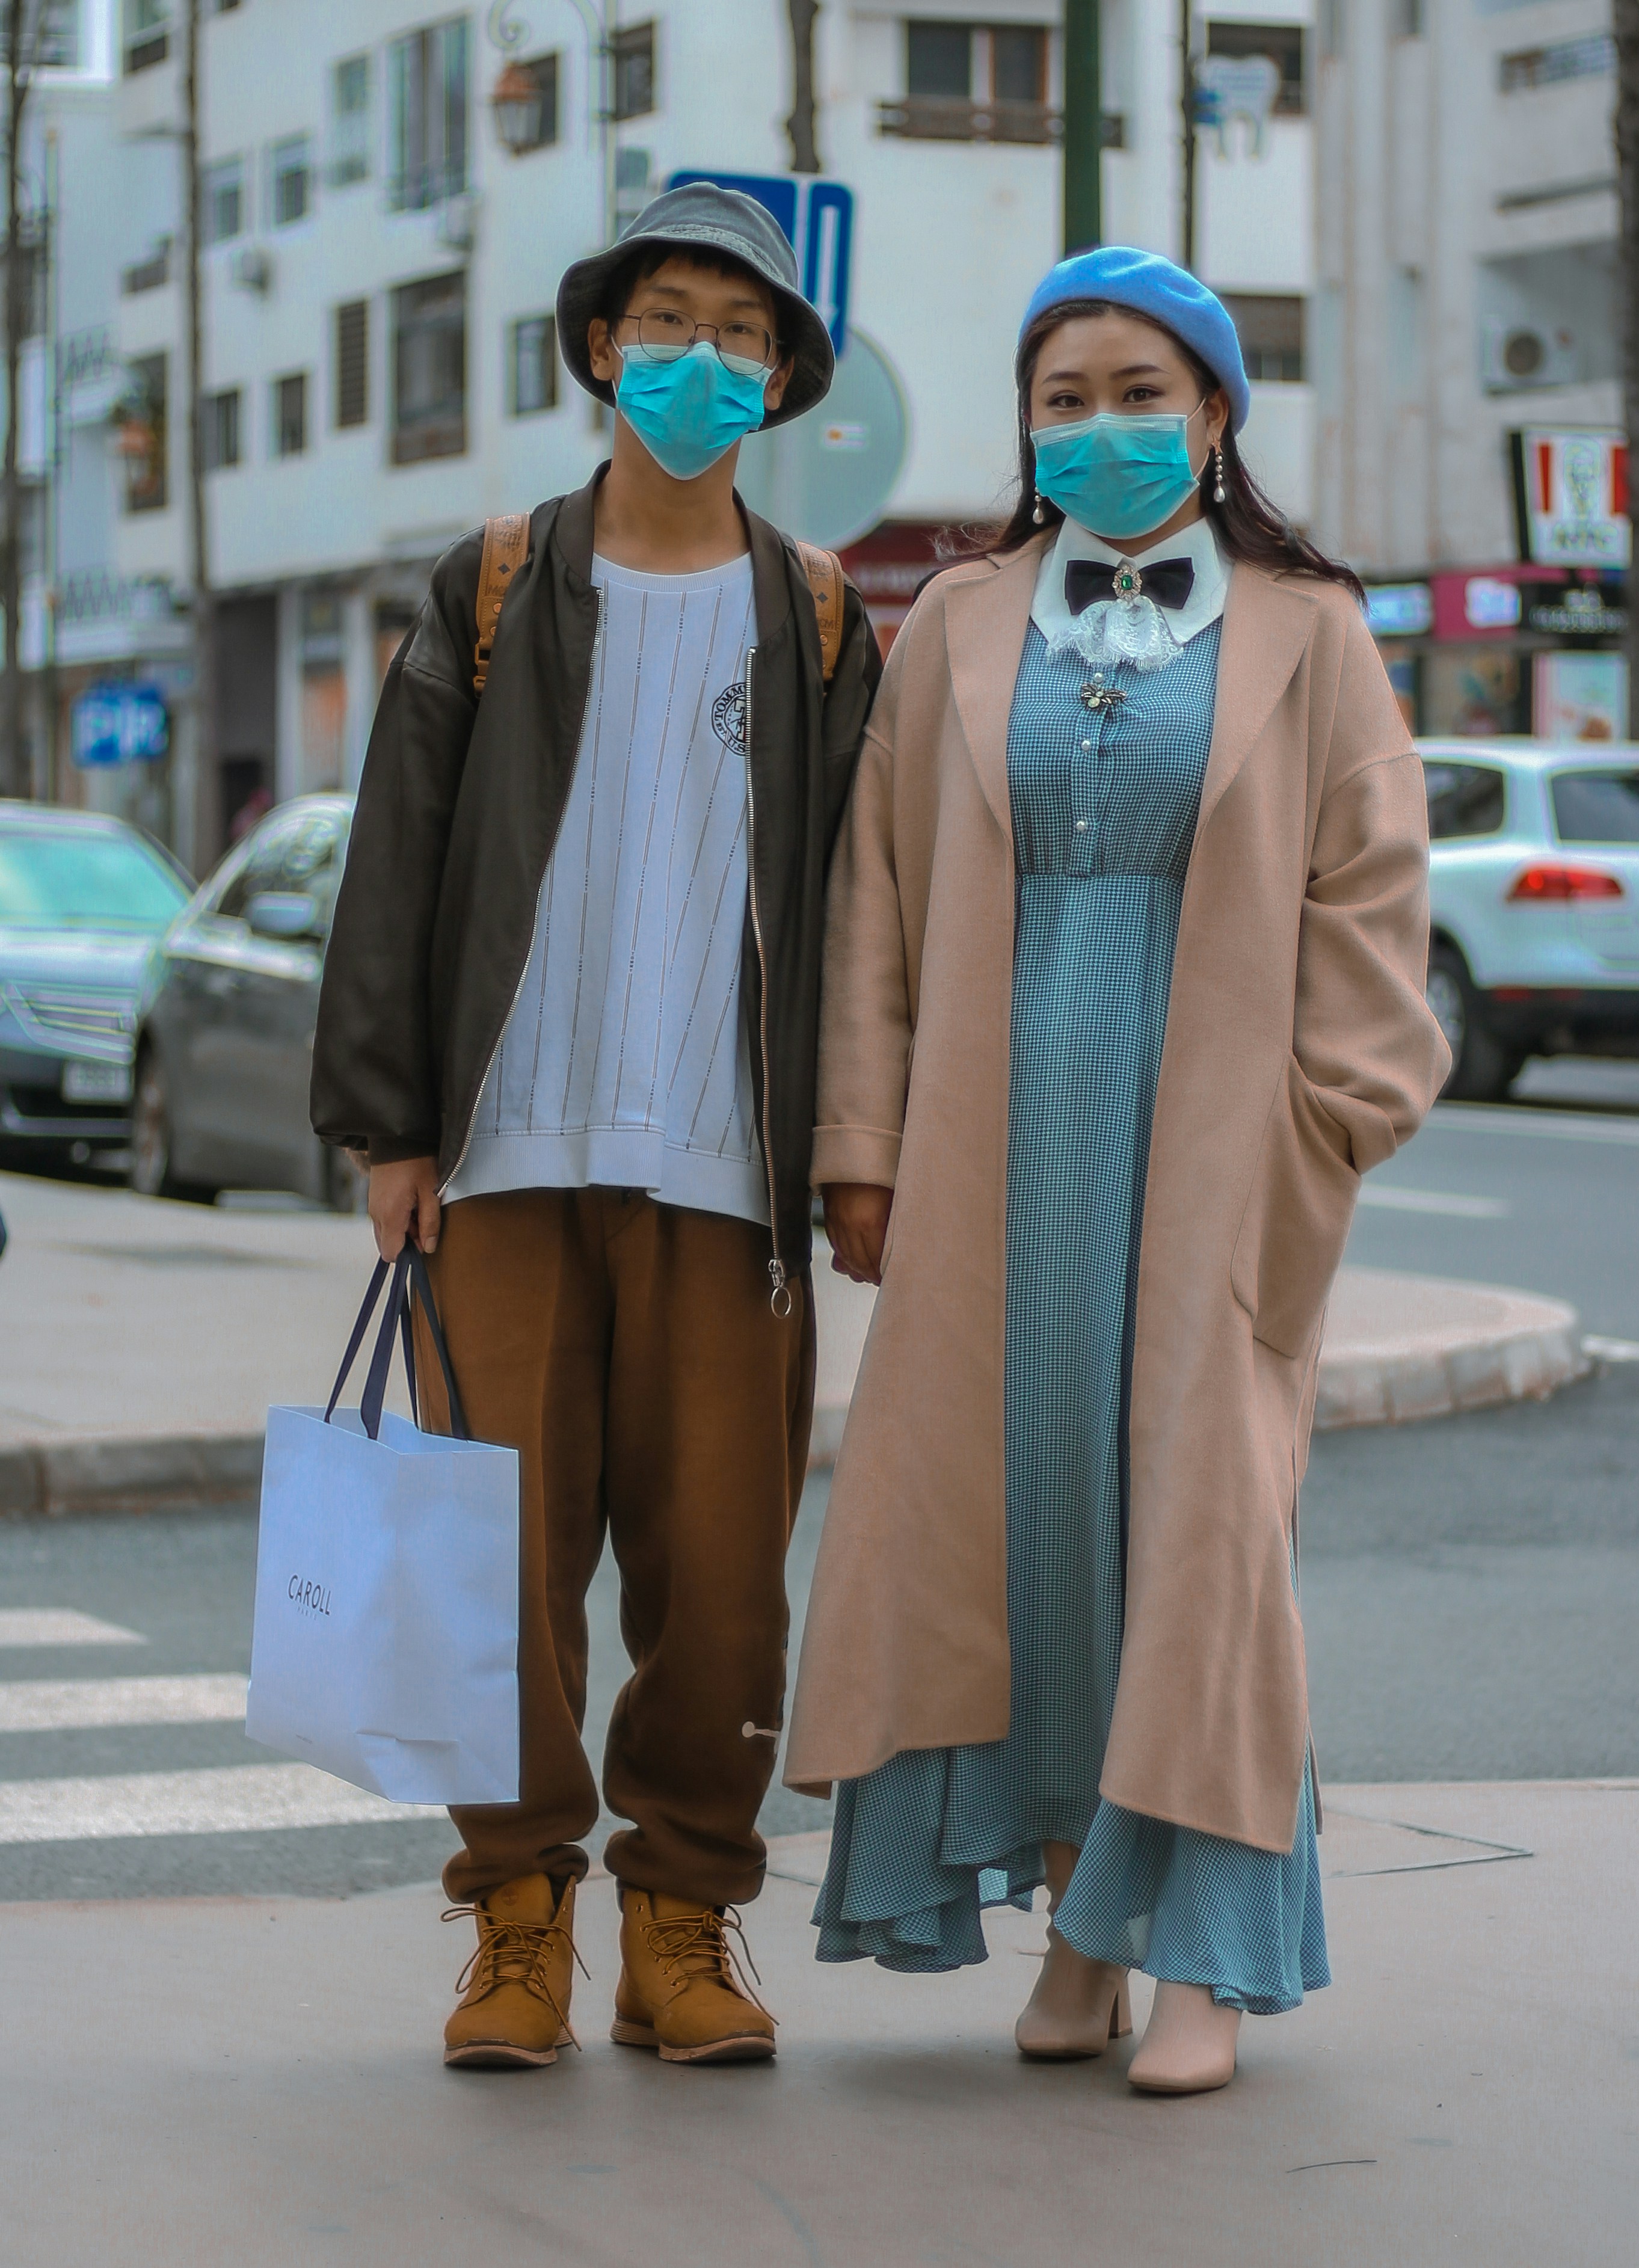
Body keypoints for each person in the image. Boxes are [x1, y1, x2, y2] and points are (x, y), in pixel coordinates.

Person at [786, 248, 1449, 2094]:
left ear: (1218, 414)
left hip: (1221, 1158)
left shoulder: (1312, 632)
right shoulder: (963, 622)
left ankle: (1205, 1964)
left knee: (1203, 1537)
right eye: (1062, 399)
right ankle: (1076, 1923)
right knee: (1023, 1530)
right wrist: (862, 1149)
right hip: (991, 1151)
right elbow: (878, 911)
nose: (1100, 428)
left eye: (1141, 392)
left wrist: (1322, 1130)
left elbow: (1374, 917)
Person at [310, 184, 881, 2072]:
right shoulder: (491, 584)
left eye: (739, 331)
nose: (698, 360)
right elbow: (394, 861)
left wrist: (854, 1136)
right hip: (506, 1155)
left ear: (784, 376)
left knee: (720, 1568)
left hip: (730, 1177)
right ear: (596, 351)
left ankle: (685, 1915)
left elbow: (865, 904)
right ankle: (518, 1920)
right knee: (509, 1561)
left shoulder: (812, 618)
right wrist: (388, 1127)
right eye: (666, 321)